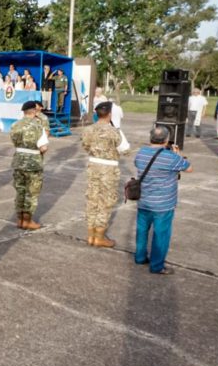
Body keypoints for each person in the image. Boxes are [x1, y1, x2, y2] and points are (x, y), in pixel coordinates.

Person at [134, 126, 192, 275]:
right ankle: (157, 266)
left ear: (150, 137)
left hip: (144, 200)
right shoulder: (171, 157)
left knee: (142, 230)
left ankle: (140, 257)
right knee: (161, 234)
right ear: (166, 140)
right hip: (163, 204)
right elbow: (189, 168)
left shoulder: (141, 153)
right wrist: (178, 155)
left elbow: (138, 165)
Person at [81, 102, 130, 248]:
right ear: (109, 114)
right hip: (109, 169)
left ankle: (90, 236)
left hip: (93, 166)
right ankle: (99, 237)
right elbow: (126, 150)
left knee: (92, 199)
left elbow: (85, 146)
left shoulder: (88, 129)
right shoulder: (115, 131)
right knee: (105, 201)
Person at [10, 101, 49, 230]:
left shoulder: (15, 125)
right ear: (34, 111)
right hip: (33, 162)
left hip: (18, 160)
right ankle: (27, 220)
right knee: (31, 192)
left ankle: (19, 219)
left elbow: (14, 142)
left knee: (20, 190)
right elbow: (43, 147)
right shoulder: (38, 126)